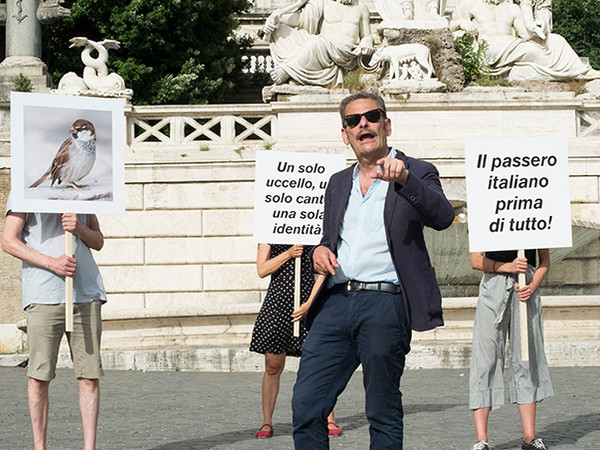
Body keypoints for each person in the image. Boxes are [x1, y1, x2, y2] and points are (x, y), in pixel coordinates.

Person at [291, 91, 455, 448]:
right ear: (345, 133)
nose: (362, 123)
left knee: (381, 409)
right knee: (306, 405)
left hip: (385, 304)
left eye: (371, 116)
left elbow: (444, 217)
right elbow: (327, 237)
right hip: (335, 303)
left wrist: (406, 180)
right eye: (353, 120)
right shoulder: (337, 182)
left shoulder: (418, 171)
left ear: (386, 124)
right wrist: (319, 250)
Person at [2, 200, 106, 450]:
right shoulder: (25, 188)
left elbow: (98, 241)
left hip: (85, 292)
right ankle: (40, 448)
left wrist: (79, 228)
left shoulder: (82, 190)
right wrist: (51, 263)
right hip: (44, 293)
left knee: (89, 376)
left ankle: (89, 448)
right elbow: (8, 240)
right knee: (39, 376)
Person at [250, 244, 341, 439]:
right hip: (278, 302)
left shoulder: (314, 227)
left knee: (319, 362)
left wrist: (309, 303)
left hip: (309, 300)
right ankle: (267, 421)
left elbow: (326, 271)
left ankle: (328, 417)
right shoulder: (270, 229)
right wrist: (289, 253)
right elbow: (262, 269)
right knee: (272, 365)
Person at [469, 249, 553, 450]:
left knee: (526, 358)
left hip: (526, 284)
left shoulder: (534, 216)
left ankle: (529, 437)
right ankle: (481, 440)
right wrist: (506, 266)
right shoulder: (486, 216)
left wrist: (532, 285)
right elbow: (475, 260)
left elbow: (545, 261)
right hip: (493, 284)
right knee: (485, 358)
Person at [450, 0, 600, 81]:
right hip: (487, 49)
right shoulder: (470, 4)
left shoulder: (512, 8)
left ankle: (582, 71)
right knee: (532, 51)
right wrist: (460, 23)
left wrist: (539, 24)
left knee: (556, 40)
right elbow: (448, 28)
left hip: (512, 46)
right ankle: (571, 72)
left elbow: (526, 35)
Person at [262, 0, 374, 86]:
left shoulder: (361, 8)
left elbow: (367, 35)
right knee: (280, 30)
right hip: (322, 49)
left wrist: (367, 42)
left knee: (317, 42)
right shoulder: (323, 2)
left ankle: (286, 71)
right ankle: (296, 69)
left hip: (344, 54)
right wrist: (278, 20)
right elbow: (301, 20)